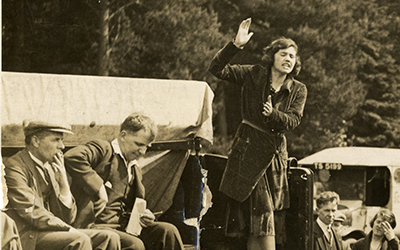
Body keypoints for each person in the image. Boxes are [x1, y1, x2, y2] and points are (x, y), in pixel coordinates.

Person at [208, 17, 307, 250]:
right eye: (283, 54)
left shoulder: (299, 89)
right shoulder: (254, 74)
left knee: (263, 217)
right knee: (260, 214)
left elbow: (293, 120)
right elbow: (216, 69)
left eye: (292, 56)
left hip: (274, 157)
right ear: (272, 56)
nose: (288, 59)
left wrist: (273, 114)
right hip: (248, 149)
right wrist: (236, 45)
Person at [64, 112, 184, 250]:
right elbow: (73, 156)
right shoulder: (104, 149)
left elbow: (130, 206)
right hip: (95, 226)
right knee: (135, 245)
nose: (143, 151)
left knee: (168, 231)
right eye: (138, 144)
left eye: (146, 146)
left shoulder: (134, 168)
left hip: (125, 227)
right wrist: (98, 187)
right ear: (123, 136)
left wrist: (145, 215)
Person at [3, 119, 121, 250]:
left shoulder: (51, 167)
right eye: (56, 140)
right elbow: (32, 212)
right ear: (36, 141)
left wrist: (63, 184)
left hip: (52, 231)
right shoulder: (15, 167)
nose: (62, 146)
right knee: (79, 240)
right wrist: (67, 229)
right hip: (29, 236)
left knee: (110, 238)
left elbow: (68, 218)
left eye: (62, 140)